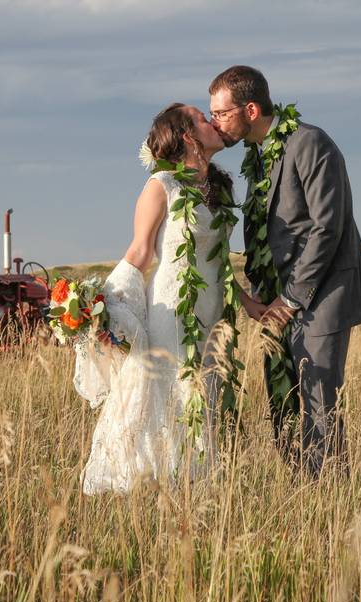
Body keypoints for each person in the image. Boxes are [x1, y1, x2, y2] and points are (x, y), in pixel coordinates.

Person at [208, 65, 361, 477]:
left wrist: (289, 301)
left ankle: (328, 497)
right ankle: (300, 489)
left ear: (250, 109)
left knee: (319, 395)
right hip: (277, 297)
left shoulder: (310, 143)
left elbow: (328, 226)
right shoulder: (257, 155)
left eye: (220, 113)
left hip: (324, 291)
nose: (215, 121)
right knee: (283, 395)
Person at [77, 103, 258, 494]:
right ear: (187, 136)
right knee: (171, 395)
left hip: (212, 314)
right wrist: (97, 307)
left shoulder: (221, 189)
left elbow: (220, 262)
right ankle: (152, 485)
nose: (212, 121)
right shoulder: (160, 186)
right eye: (201, 117)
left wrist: (246, 303)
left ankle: (194, 491)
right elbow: (140, 253)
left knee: (203, 401)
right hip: (173, 310)